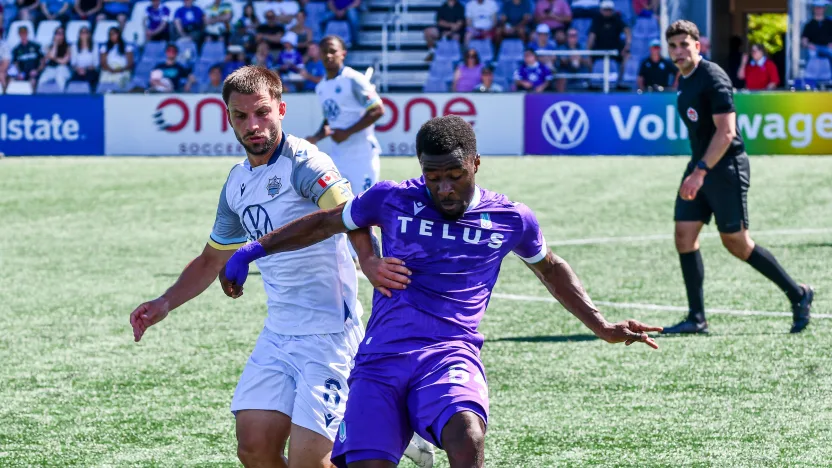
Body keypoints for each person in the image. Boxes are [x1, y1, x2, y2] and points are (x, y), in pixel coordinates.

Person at [220, 114, 664, 468]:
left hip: (450, 354)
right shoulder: (392, 198)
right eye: (434, 177)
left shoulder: (510, 219)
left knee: (467, 436)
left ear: (475, 164)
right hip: (381, 359)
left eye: (455, 175)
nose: (444, 188)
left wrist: (601, 326)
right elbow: (325, 221)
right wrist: (252, 250)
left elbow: (551, 269)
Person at [129, 65, 410, 468]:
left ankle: (382, 430)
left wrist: (369, 259)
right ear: (228, 118)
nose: (253, 125)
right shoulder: (237, 183)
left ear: (280, 109)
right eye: (241, 116)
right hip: (278, 334)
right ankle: (378, 427)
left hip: (329, 333)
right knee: (254, 446)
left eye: (262, 113)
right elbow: (212, 258)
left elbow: (350, 213)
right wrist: (165, 302)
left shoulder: (304, 161)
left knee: (309, 462)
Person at [663, 20, 814, 335]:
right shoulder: (684, 78)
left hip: (724, 168)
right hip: (700, 166)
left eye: (683, 45)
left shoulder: (712, 76)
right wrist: (697, 169)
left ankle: (798, 295)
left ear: (697, 45)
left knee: (736, 243)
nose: (678, 52)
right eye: (673, 46)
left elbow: (727, 131)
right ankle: (697, 318)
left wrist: (700, 173)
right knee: (684, 237)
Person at [306, 36, 384, 211]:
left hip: (362, 156)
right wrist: (317, 137)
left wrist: (347, 132)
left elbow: (378, 110)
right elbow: (330, 117)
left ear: (343, 54)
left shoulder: (354, 79)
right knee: (339, 211)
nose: (328, 56)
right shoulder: (321, 87)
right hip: (338, 157)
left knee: (365, 211)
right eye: (324, 51)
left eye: (333, 51)